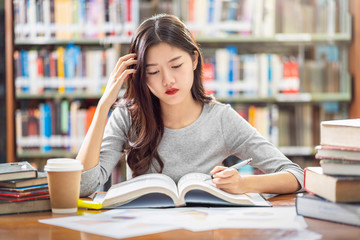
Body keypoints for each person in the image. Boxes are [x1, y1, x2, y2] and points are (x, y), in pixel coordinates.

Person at [77, 14, 303, 197]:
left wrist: (244, 183)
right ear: (140, 76)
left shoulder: (221, 119)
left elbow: (296, 175)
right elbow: (83, 186)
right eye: (153, 72)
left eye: (176, 66)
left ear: (194, 60)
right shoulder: (128, 117)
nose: (168, 80)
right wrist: (104, 105)